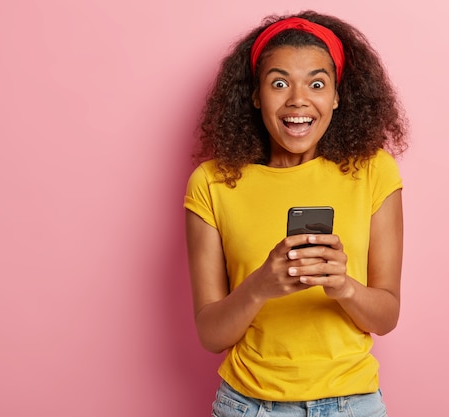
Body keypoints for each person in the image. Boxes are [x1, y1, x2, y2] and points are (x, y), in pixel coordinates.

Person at [184, 10, 408, 417]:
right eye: (279, 83)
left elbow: (386, 315)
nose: (298, 100)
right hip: (247, 406)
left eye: (317, 83)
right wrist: (260, 286)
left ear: (337, 96)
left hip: (352, 404)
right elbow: (210, 334)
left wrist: (343, 286)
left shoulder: (373, 170)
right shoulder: (212, 183)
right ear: (255, 95)